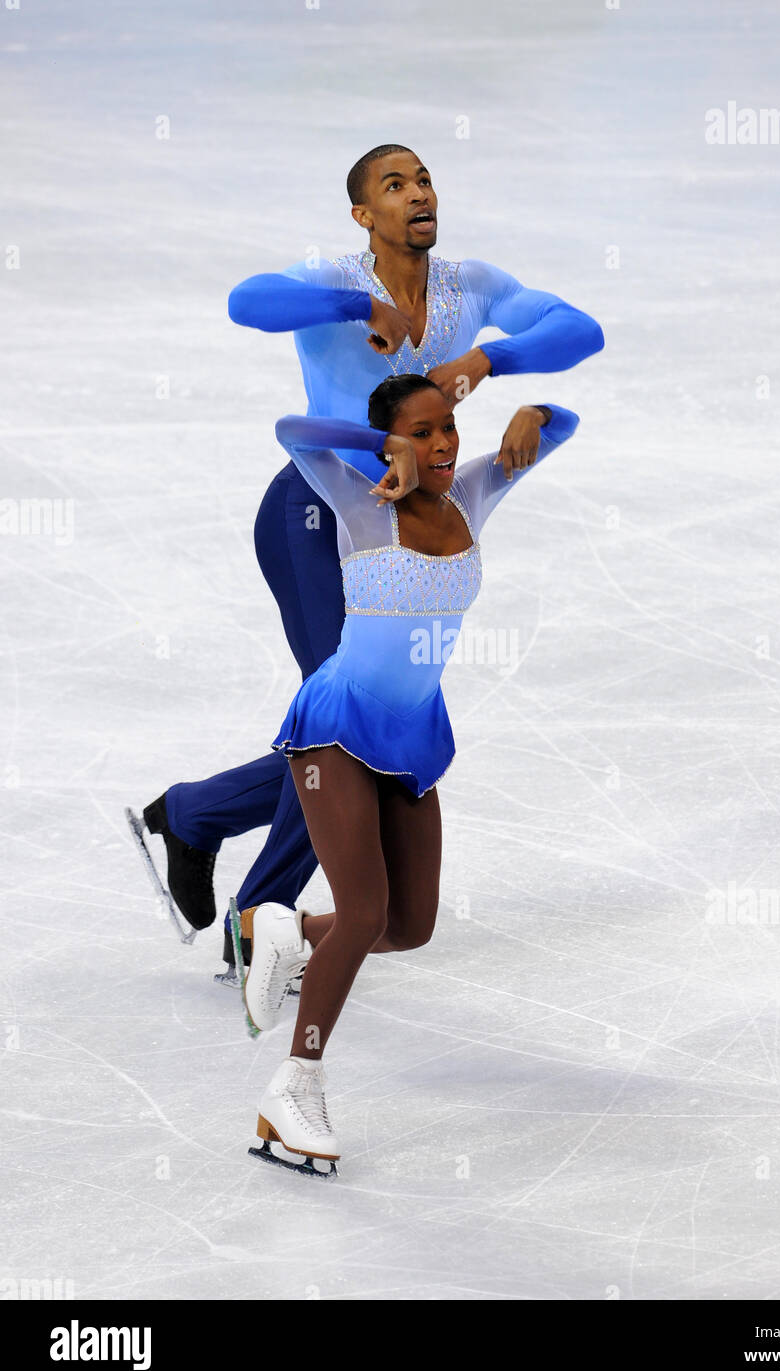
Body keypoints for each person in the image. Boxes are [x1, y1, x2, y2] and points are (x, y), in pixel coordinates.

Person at [131, 144, 602, 980]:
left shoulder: (473, 288)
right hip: (317, 515)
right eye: (394, 185)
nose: (417, 192)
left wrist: (487, 361)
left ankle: (195, 816)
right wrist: (354, 304)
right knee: (343, 735)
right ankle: (259, 922)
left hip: (399, 540)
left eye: (423, 179)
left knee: (358, 726)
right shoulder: (329, 277)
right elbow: (247, 301)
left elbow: (578, 329)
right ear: (364, 215)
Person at [236, 373, 579, 1175]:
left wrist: (535, 412)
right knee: (363, 912)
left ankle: (289, 935)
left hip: (413, 735)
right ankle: (294, 1087)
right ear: (393, 440)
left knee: (407, 926)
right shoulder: (360, 500)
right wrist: (376, 448)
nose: (440, 444)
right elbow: (292, 430)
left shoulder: (472, 495)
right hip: (335, 726)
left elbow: (560, 426)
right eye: (420, 433)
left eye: (447, 428)